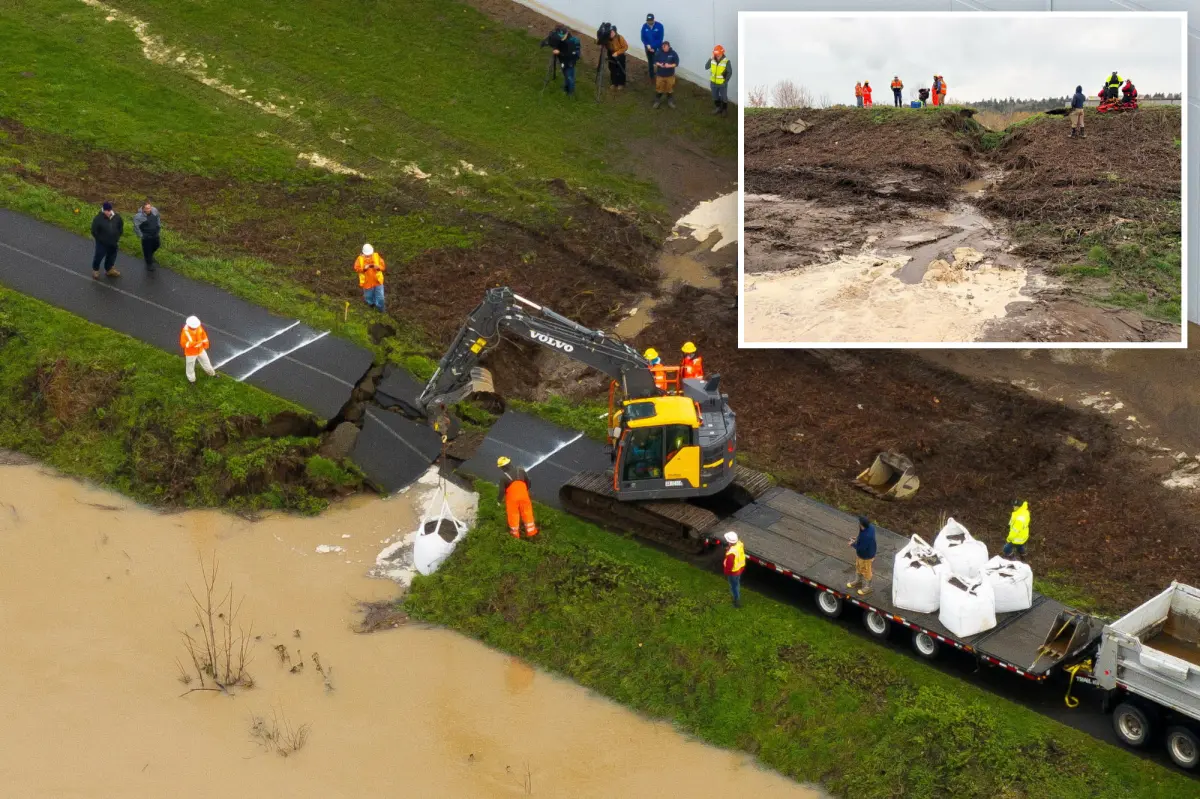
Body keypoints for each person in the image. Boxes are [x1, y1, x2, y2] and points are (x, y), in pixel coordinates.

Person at [497, 456, 538, 539]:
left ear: (502, 467)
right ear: (510, 463)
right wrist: (525, 491)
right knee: (527, 512)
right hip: (524, 496)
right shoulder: (521, 470)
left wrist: (498, 501)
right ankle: (531, 532)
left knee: (513, 515)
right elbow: (528, 482)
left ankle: (515, 535)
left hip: (512, 500)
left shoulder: (504, 478)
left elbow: (502, 491)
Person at [540, 25, 581, 96]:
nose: (560, 38)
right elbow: (551, 40)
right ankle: (565, 87)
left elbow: (570, 55)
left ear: (566, 34)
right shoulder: (558, 37)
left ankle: (570, 92)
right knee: (565, 74)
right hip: (562, 60)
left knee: (569, 76)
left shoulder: (571, 42)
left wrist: (559, 52)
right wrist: (544, 43)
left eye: (561, 36)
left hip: (569, 61)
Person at [90, 201, 123, 280]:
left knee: (112, 256)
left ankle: (109, 269)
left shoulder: (117, 217)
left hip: (113, 242)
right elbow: (94, 231)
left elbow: (120, 227)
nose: (108, 212)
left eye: (109, 210)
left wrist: (117, 237)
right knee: (98, 256)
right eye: (106, 210)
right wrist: (100, 239)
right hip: (102, 243)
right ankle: (95, 270)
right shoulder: (98, 218)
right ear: (103, 210)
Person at [180, 315, 217, 384]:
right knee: (190, 367)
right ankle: (192, 380)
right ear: (189, 326)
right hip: (191, 353)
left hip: (200, 350)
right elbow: (183, 344)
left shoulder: (199, 327)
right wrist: (196, 344)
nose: (195, 328)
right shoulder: (185, 332)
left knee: (206, 362)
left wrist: (206, 344)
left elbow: (204, 335)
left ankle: (212, 374)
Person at [846, 515, 877, 596]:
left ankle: (868, 587)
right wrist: (857, 538)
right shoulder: (870, 527)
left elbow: (861, 548)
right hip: (863, 553)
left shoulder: (866, 537)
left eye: (859, 522)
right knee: (858, 566)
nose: (858, 523)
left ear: (861, 524)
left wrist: (852, 544)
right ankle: (858, 581)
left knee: (867, 571)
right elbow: (861, 534)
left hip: (866, 556)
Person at [354, 243, 386, 312]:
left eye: (369, 254)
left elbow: (383, 267)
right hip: (367, 283)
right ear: (363, 253)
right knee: (368, 297)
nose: (368, 255)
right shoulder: (359, 259)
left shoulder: (377, 256)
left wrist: (378, 267)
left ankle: (381, 311)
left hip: (378, 281)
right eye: (367, 255)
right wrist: (364, 269)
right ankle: (371, 306)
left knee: (380, 298)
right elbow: (356, 268)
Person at [132, 200, 162, 271]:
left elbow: (158, 217)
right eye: (147, 208)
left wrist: (158, 226)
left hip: (155, 234)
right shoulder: (138, 216)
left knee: (157, 245)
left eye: (150, 207)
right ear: (143, 209)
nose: (149, 209)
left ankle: (150, 256)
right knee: (147, 250)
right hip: (146, 236)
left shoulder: (154, 210)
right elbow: (136, 227)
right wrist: (141, 236)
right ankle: (149, 264)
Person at [705, 44, 732, 116]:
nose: (717, 56)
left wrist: (725, 82)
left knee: (724, 97)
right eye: (716, 54)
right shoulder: (712, 59)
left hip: (722, 84)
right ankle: (718, 108)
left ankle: (724, 110)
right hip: (713, 83)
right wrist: (710, 58)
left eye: (718, 54)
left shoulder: (726, 61)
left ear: (722, 53)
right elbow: (706, 67)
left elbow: (729, 72)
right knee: (715, 96)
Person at [652, 41, 679, 109]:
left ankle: (670, 101)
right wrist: (659, 64)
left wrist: (669, 65)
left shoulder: (673, 53)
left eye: (666, 47)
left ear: (669, 47)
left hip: (670, 76)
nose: (665, 49)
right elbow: (655, 61)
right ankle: (657, 101)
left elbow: (676, 63)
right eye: (664, 47)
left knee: (669, 89)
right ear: (662, 47)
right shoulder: (658, 53)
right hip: (660, 75)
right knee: (659, 88)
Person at [722, 531, 746, 608]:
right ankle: (736, 596)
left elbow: (729, 566)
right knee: (736, 584)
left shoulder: (731, 554)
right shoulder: (739, 544)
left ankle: (737, 602)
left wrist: (726, 572)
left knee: (733, 586)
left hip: (733, 572)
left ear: (729, 542)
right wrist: (729, 548)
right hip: (740, 568)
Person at [640, 13, 665, 82]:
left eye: (651, 20)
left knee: (659, 61)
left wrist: (653, 46)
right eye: (648, 20)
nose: (649, 22)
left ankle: (661, 75)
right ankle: (652, 76)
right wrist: (647, 45)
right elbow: (643, 37)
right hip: (648, 48)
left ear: (654, 20)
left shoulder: (659, 26)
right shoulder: (644, 26)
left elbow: (660, 39)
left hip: (657, 48)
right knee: (650, 62)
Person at [604, 25, 628, 91]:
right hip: (611, 54)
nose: (611, 34)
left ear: (615, 32)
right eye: (610, 32)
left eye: (612, 32)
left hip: (620, 55)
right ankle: (614, 83)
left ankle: (621, 83)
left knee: (620, 69)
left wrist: (617, 53)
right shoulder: (607, 38)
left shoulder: (620, 38)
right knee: (612, 68)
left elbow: (625, 47)